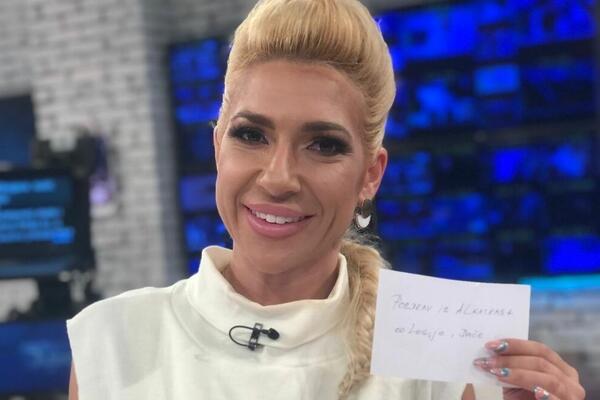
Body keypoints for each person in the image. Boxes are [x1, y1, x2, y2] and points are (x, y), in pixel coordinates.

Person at [67, 0, 586, 399]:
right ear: (218, 146)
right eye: (251, 135)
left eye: (324, 145)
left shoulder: (442, 366)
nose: (279, 178)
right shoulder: (112, 343)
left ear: (370, 176)